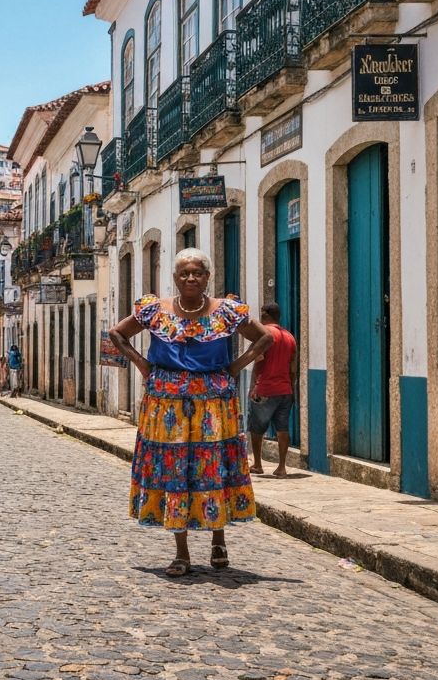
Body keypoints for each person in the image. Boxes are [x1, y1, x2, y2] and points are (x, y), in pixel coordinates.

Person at [108, 247, 272, 577]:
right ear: (175, 278)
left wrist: (234, 368)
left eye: (197, 272)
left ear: (207, 277)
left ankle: (218, 541)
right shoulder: (155, 310)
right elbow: (117, 333)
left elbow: (264, 338)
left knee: (213, 468)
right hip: (165, 403)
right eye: (184, 273)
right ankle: (181, 552)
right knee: (175, 472)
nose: (191, 278)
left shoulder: (226, 312)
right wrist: (143, 366)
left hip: (215, 403)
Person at [248, 303, 298, 478]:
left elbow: (257, 361)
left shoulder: (265, 335)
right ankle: (282, 467)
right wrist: (291, 388)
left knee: (256, 427)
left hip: (265, 389)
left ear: (264, 315)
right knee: (282, 428)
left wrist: (253, 386)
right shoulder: (290, 337)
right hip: (285, 390)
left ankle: (258, 464)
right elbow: (293, 367)